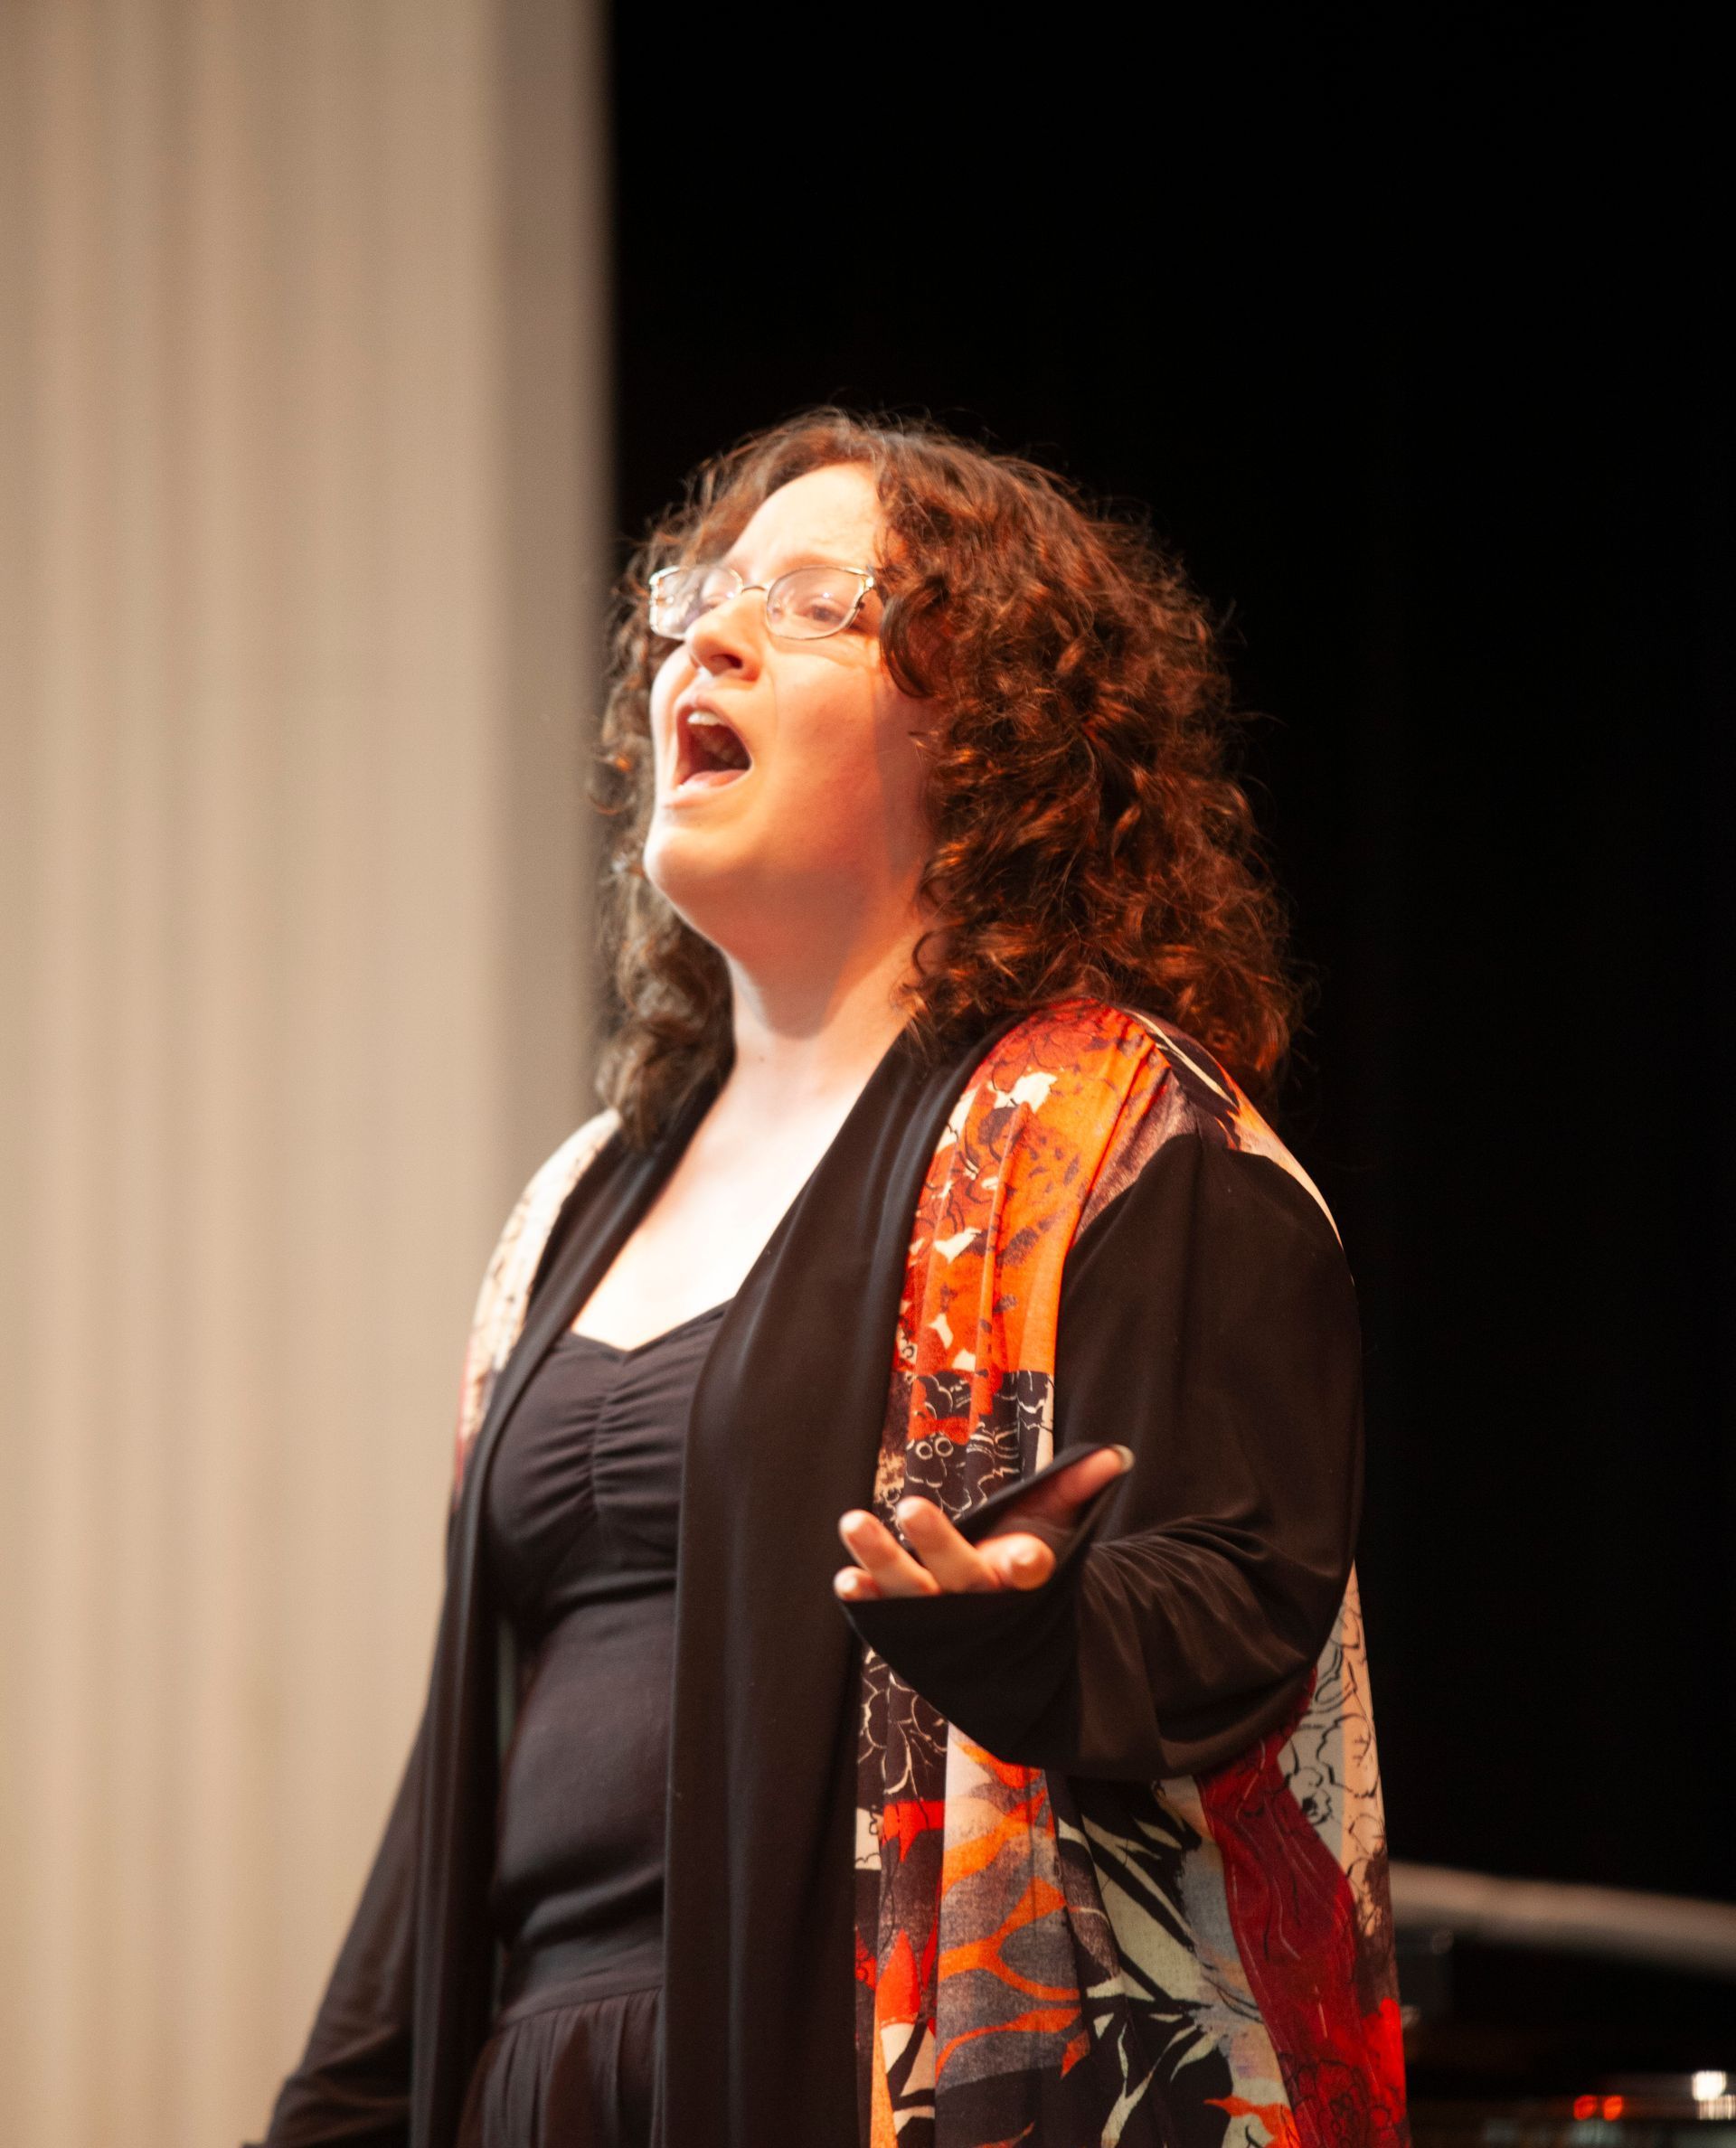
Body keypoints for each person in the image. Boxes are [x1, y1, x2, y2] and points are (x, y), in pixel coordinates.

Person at [251, 410, 1410, 2148]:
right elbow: (469, 1761)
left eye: (804, 605)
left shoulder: (1120, 1132)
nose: (700, 638)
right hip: (538, 2092)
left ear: (992, 738)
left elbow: (1239, 1596)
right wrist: (340, 2110)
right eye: (698, 594)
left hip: (849, 2077)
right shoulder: (577, 1202)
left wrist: (1031, 1627)